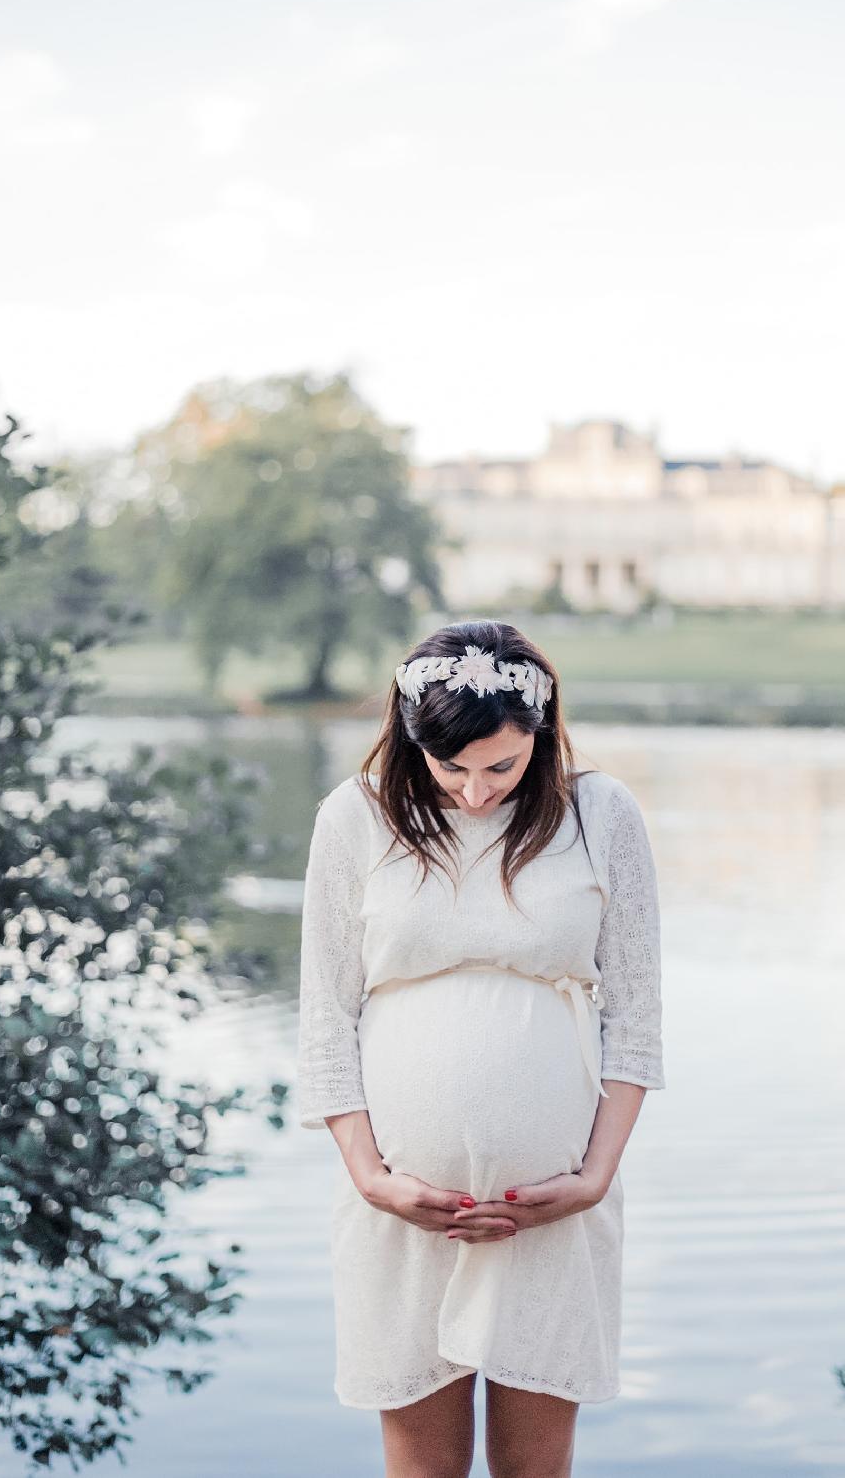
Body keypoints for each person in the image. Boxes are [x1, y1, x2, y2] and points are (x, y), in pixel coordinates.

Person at [297, 618, 665, 1478]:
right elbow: (324, 1018)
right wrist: (372, 1178)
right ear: (411, 738)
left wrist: (593, 1177)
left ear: (542, 733)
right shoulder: (355, 817)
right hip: (399, 1207)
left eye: (501, 765)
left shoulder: (600, 814)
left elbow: (638, 1019)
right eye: (450, 767)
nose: (474, 792)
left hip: (555, 1208)